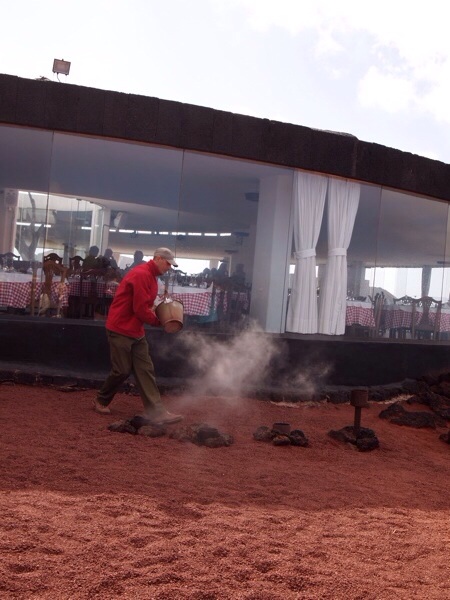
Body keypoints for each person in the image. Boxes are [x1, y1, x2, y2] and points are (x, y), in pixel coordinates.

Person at [92, 247, 183, 425]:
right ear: (157, 258)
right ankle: (101, 400)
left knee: (145, 369)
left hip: (135, 330)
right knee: (122, 370)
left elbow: (147, 306)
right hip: (121, 328)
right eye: (168, 263)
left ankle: (157, 412)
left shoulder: (152, 278)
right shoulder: (142, 275)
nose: (169, 268)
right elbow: (140, 309)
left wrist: (161, 307)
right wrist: (161, 322)